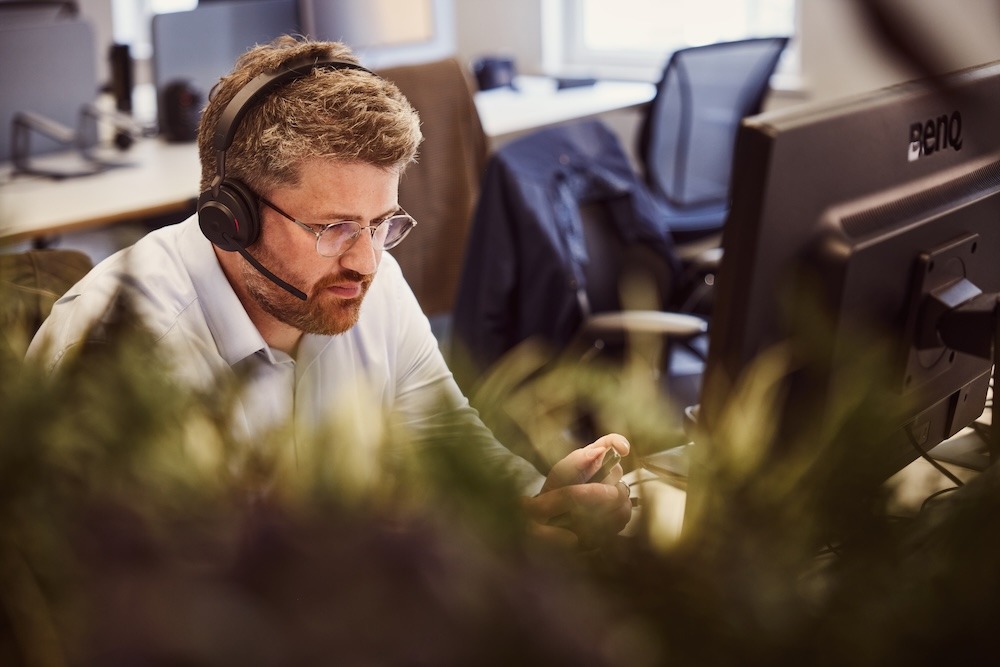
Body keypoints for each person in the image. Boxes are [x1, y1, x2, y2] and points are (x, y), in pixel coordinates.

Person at [27, 35, 631, 547]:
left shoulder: (368, 281)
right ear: (230, 219)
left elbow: (443, 434)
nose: (367, 261)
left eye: (382, 223)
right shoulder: (119, 349)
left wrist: (533, 501)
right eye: (333, 227)